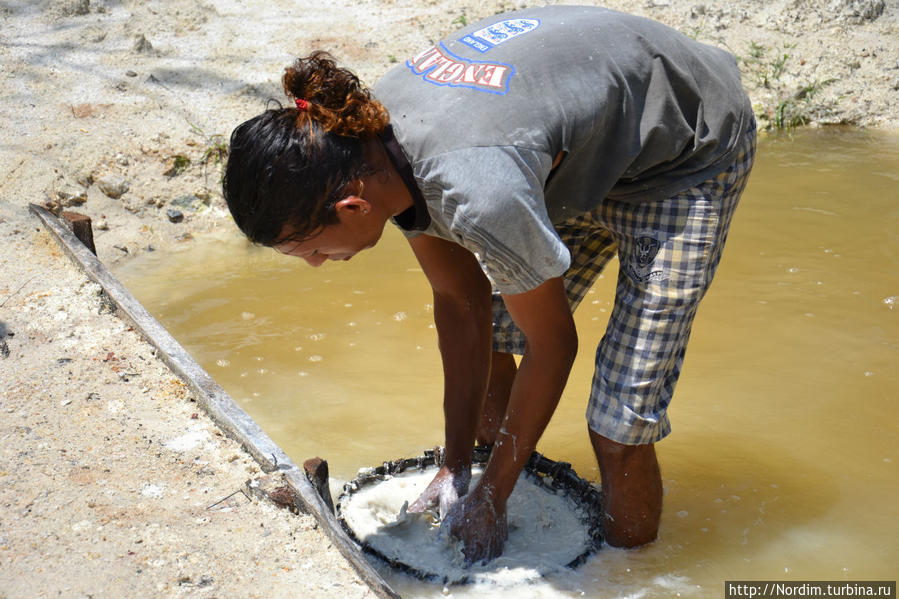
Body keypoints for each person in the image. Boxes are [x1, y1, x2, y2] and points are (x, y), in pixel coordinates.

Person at [223, 5, 756, 565]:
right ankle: (485, 481)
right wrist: (454, 467)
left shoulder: (476, 192)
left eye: (309, 249)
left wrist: (493, 497)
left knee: (619, 422)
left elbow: (555, 344)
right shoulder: (365, 147)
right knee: (499, 341)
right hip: (567, 147)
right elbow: (459, 299)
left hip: (687, 154)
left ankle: (628, 573)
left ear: (354, 207)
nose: (314, 264)